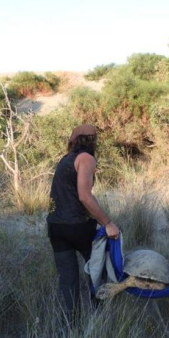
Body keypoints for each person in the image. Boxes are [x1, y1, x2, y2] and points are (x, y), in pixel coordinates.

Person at [47, 124, 120, 324]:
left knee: (68, 281)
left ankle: (71, 328)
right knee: (99, 271)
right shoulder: (86, 159)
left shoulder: (65, 160)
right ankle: (100, 320)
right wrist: (108, 223)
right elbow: (85, 196)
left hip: (55, 227)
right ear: (91, 140)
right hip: (77, 226)